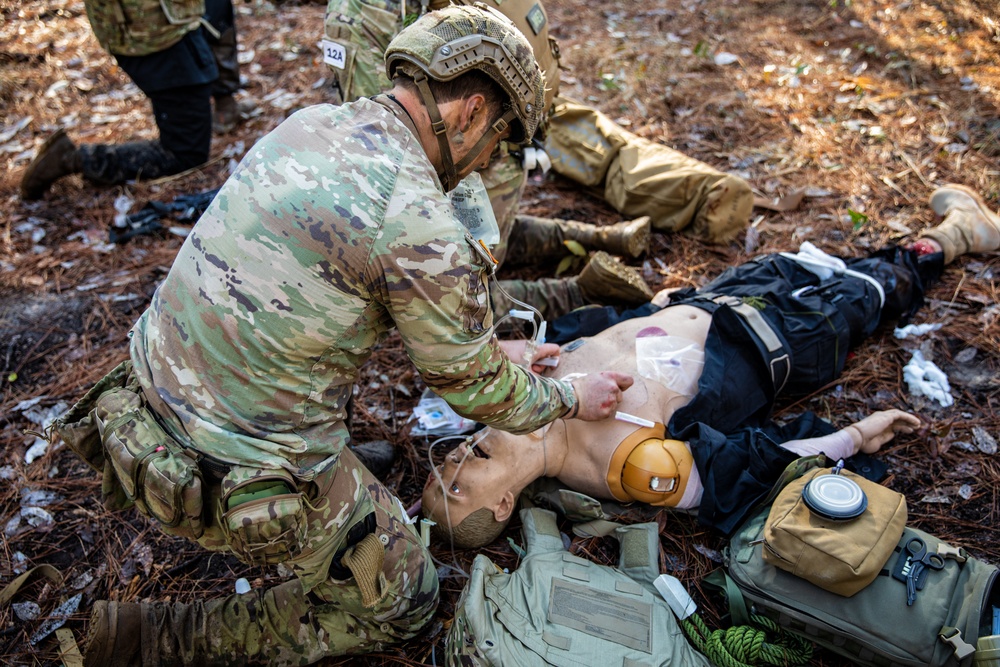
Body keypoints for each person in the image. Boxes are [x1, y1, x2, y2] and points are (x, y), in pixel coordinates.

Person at [72, 6, 634, 665]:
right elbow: (476, 392)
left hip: (141, 407)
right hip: (232, 465)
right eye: (502, 142)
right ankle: (164, 637)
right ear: (474, 111)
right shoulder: (417, 211)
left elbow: (341, 292)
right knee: (410, 599)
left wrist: (481, 352)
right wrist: (573, 395)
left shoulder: (311, 125)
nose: (491, 162)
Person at [422, 183, 1000, 548]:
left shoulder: (529, 390)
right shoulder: (627, 466)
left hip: (716, 301)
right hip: (781, 341)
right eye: (457, 485)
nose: (454, 459)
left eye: (441, 464)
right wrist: (850, 437)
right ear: (503, 504)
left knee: (811, 264)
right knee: (874, 292)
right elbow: (743, 467)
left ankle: (925, 240)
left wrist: (648, 309)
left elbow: (595, 337)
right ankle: (955, 237)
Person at [323, 0, 754, 319]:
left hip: (490, 141)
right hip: (465, 148)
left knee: (478, 252)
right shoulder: (369, 12)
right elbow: (393, 146)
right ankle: (581, 287)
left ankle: (597, 240)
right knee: (457, 292)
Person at [19, 0, 246, 201]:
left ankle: (226, 104)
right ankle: (74, 159)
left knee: (217, 9)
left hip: (175, 19)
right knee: (186, 154)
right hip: (154, 31)